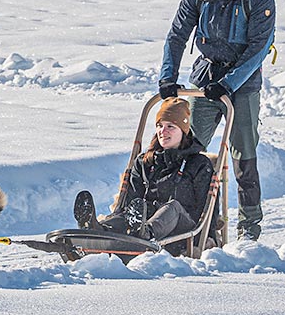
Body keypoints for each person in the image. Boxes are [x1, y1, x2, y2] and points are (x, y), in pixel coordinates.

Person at [157, 0, 275, 240]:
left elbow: (259, 48)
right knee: (186, 148)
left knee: (242, 155)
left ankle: (249, 226)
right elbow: (177, 35)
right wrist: (168, 76)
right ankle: (177, 217)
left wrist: (230, 83)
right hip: (205, 79)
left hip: (242, 83)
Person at [73, 98, 214, 249]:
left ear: (183, 130)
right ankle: (99, 230)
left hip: (184, 229)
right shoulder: (145, 162)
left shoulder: (199, 163)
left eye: (170, 126)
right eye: (160, 126)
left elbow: (205, 211)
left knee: (172, 207)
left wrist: (208, 238)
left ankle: (146, 234)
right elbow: (129, 204)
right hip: (145, 221)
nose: (163, 131)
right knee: (132, 210)